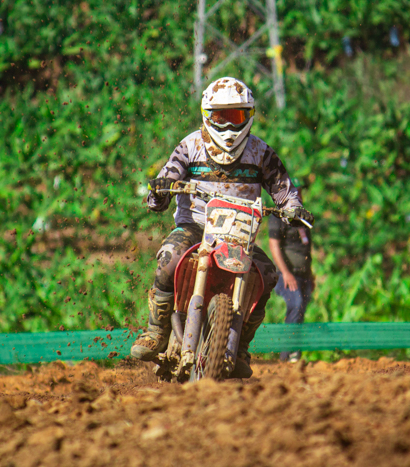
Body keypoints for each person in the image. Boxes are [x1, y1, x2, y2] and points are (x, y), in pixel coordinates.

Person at [130, 77, 312, 378]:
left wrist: (293, 208)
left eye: (236, 117)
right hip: (195, 227)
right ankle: (156, 332)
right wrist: (160, 191)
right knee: (167, 257)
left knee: (267, 274)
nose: (228, 127)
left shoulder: (261, 153)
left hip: (240, 233)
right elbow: (167, 174)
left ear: (249, 116)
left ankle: (239, 348)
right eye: (220, 117)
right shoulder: (190, 145)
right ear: (206, 114)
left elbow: (284, 188)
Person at [267, 183, 315, 362]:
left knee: (300, 311)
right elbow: (274, 245)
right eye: (295, 191)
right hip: (287, 275)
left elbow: (306, 248)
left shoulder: (303, 217)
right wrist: (285, 273)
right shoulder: (278, 216)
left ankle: (293, 354)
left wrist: (311, 274)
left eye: (300, 191)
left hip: (303, 275)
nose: (299, 194)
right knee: (295, 304)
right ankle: (287, 355)